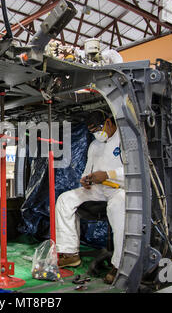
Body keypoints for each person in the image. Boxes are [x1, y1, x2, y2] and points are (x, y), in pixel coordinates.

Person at [55, 110, 125, 284]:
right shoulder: (95, 146)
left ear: (109, 122)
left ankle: (120, 265)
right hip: (99, 190)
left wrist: (108, 174)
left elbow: (137, 171)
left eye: (99, 129)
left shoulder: (125, 140)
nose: (97, 134)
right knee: (65, 199)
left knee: (117, 206)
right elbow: (88, 170)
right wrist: (85, 179)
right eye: (93, 132)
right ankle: (70, 253)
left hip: (122, 189)